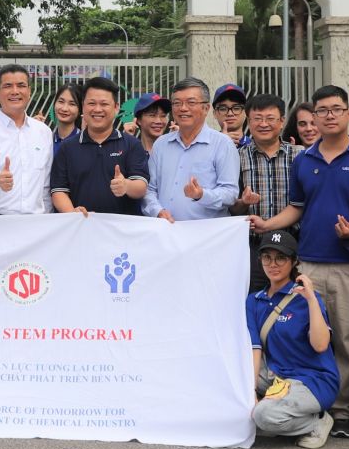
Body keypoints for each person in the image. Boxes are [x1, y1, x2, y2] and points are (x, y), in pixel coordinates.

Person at [267, 84, 349, 436]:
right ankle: (314, 405)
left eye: (336, 109)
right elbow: (296, 208)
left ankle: (341, 411)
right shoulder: (303, 160)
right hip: (308, 264)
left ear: (348, 113)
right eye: (322, 110)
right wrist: (267, 224)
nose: (329, 116)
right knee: (309, 338)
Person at [248, 231, 337, 449]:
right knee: (233, 383)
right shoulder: (254, 300)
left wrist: (311, 299)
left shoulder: (305, 297)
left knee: (262, 416)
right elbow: (255, 348)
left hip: (312, 379)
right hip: (275, 375)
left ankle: (317, 421)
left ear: (294, 261)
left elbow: (320, 345)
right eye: (267, 257)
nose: (273, 264)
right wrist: (249, 391)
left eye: (281, 258)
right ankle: (278, 411)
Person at [141, 78, 239, 223]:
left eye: (191, 102)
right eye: (177, 103)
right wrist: (157, 211)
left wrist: (202, 195)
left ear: (206, 108)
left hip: (206, 232)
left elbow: (230, 194)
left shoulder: (223, 144)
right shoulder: (161, 144)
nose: (183, 108)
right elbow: (149, 189)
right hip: (165, 230)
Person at [50, 76, 149, 215]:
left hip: (122, 227)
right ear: (83, 106)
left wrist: (126, 185)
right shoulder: (67, 148)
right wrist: (72, 212)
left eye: (104, 104)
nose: (97, 109)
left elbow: (141, 187)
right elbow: (58, 191)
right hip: (81, 225)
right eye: (91, 103)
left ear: (116, 108)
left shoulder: (131, 144)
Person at [0, 64, 55, 215]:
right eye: (8, 86)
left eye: (21, 85)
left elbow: (45, 183)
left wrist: (46, 216)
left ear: (29, 91)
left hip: (36, 221)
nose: (15, 91)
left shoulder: (43, 131)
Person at [236, 94, 297, 291]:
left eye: (270, 118)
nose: (263, 124)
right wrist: (243, 202)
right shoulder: (237, 157)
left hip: (293, 244)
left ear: (282, 121)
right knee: (254, 299)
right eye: (257, 118)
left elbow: (305, 201)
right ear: (248, 121)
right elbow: (232, 208)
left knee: (293, 301)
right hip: (253, 247)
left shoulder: (300, 155)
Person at [49, 83, 82, 147]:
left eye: (72, 104)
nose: (64, 109)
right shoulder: (47, 140)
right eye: (61, 102)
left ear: (80, 110)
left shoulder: (83, 142)